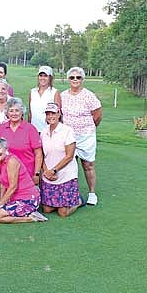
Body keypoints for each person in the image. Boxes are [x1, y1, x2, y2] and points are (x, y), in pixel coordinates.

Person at [60, 67, 103, 206]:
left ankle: (92, 193)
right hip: (68, 136)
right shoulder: (62, 95)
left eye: (78, 77)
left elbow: (97, 115)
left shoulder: (89, 95)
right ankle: (72, 191)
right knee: (70, 164)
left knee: (88, 165)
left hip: (85, 136)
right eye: (72, 77)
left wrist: (88, 128)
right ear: (68, 79)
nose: (75, 80)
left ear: (82, 79)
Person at [40, 103, 85, 216]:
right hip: (49, 175)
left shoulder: (67, 131)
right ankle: (65, 200)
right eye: (48, 114)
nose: (51, 116)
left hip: (65, 174)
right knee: (47, 209)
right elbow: (41, 155)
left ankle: (78, 201)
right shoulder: (43, 132)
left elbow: (69, 156)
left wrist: (54, 170)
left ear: (59, 114)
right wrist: (46, 171)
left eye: (53, 113)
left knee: (63, 213)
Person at [0, 138, 48, 223]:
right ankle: (26, 214)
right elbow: (2, 184)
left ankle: (31, 218)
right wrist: (1, 203)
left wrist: (0, 205)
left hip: (28, 198)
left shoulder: (11, 161)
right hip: (15, 198)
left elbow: (13, 186)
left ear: (6, 149)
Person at [0, 97, 43, 184]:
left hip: (27, 173)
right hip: (7, 173)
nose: (14, 113)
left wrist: (37, 174)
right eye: (11, 111)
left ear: (22, 112)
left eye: (17, 110)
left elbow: (38, 153)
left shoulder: (30, 129)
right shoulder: (2, 128)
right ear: (7, 113)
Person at [28, 66, 61, 133]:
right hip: (34, 130)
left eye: (45, 76)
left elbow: (58, 114)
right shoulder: (32, 92)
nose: (42, 78)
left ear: (50, 78)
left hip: (48, 130)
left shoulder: (54, 92)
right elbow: (30, 113)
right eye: (41, 75)